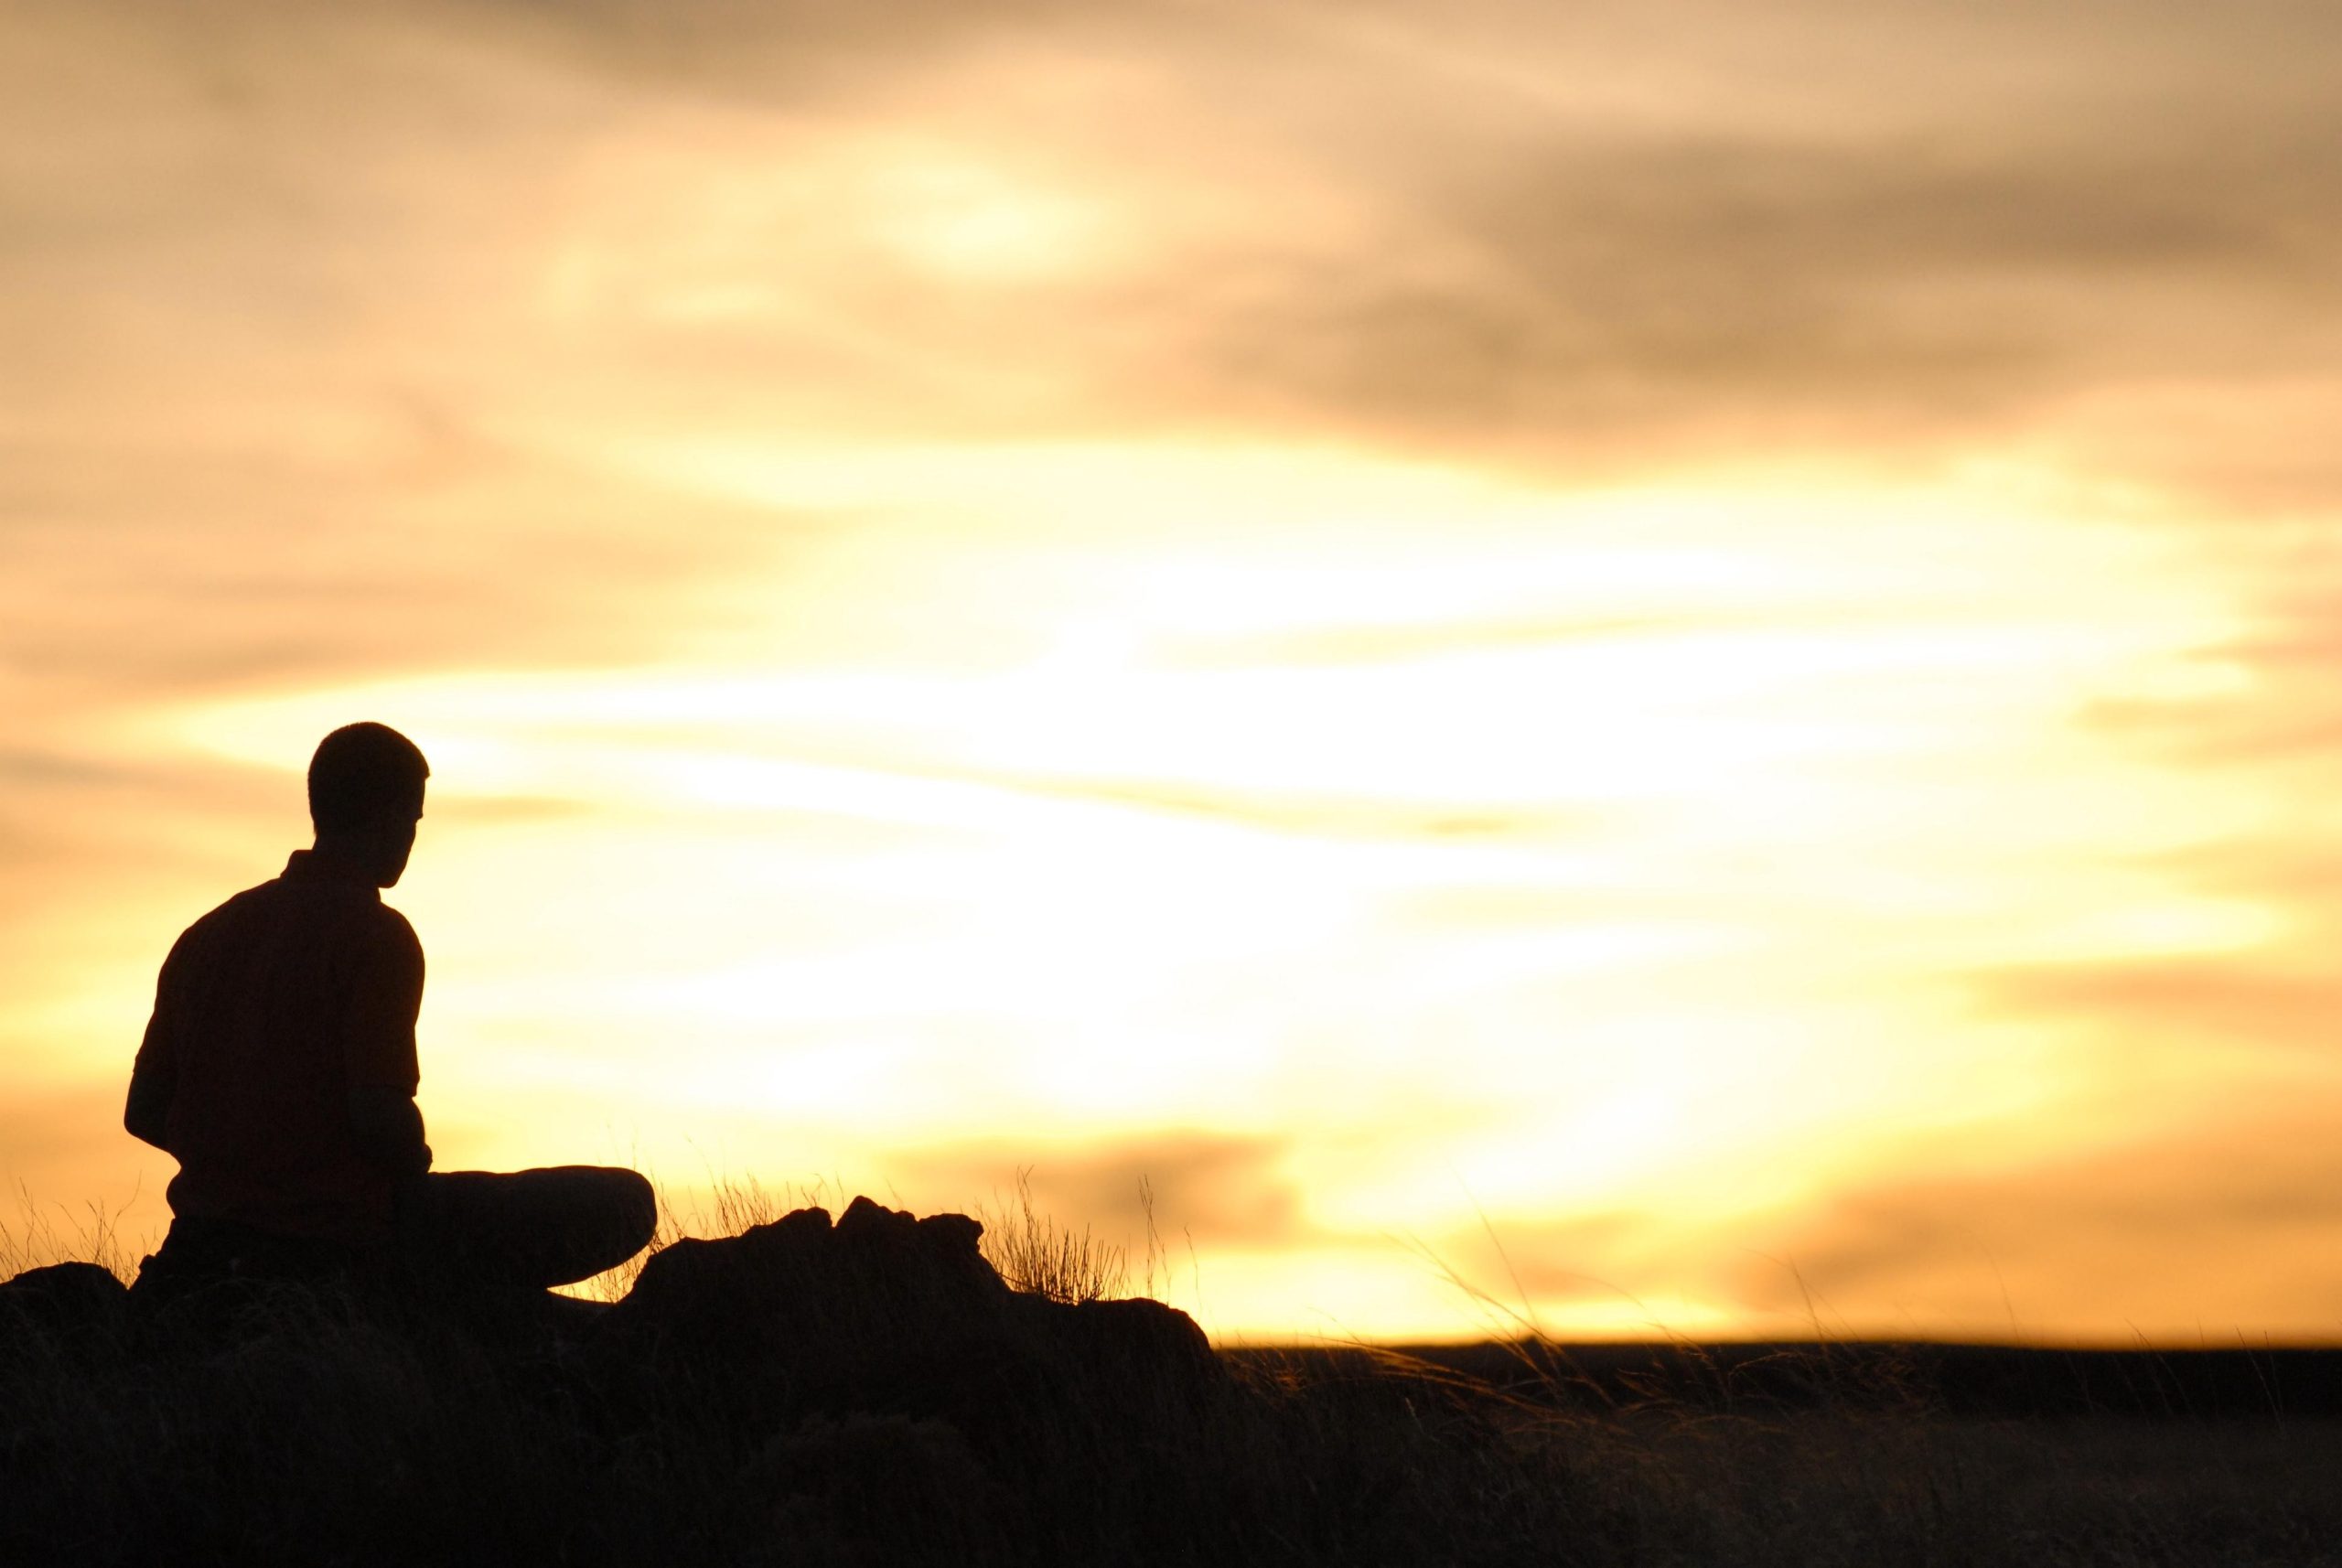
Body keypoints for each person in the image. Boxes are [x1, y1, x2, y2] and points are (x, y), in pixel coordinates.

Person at [125, 722, 655, 1305]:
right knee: (626, 1202)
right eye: (413, 819)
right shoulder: (376, 936)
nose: (411, 839)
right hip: (345, 1237)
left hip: (206, 1237)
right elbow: (378, 1114)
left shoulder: (207, 936)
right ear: (387, 814)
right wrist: (394, 1169)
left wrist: (237, 1169)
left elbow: (144, 1111)